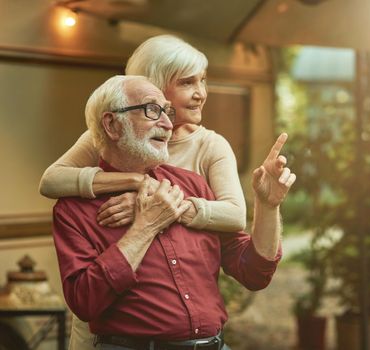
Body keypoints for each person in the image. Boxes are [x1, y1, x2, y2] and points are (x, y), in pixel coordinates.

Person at [52, 75, 295, 350]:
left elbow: (254, 272)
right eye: (152, 110)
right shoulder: (73, 210)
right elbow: (85, 301)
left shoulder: (193, 184)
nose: (168, 124)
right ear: (112, 125)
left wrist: (268, 206)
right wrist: (145, 227)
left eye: (166, 111)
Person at [39, 35, 250, 349]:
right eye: (188, 83)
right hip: (108, 332)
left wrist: (154, 205)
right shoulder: (109, 132)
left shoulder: (209, 145)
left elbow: (235, 216)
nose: (201, 94)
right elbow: (51, 181)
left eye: (203, 81)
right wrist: (136, 184)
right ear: (152, 87)